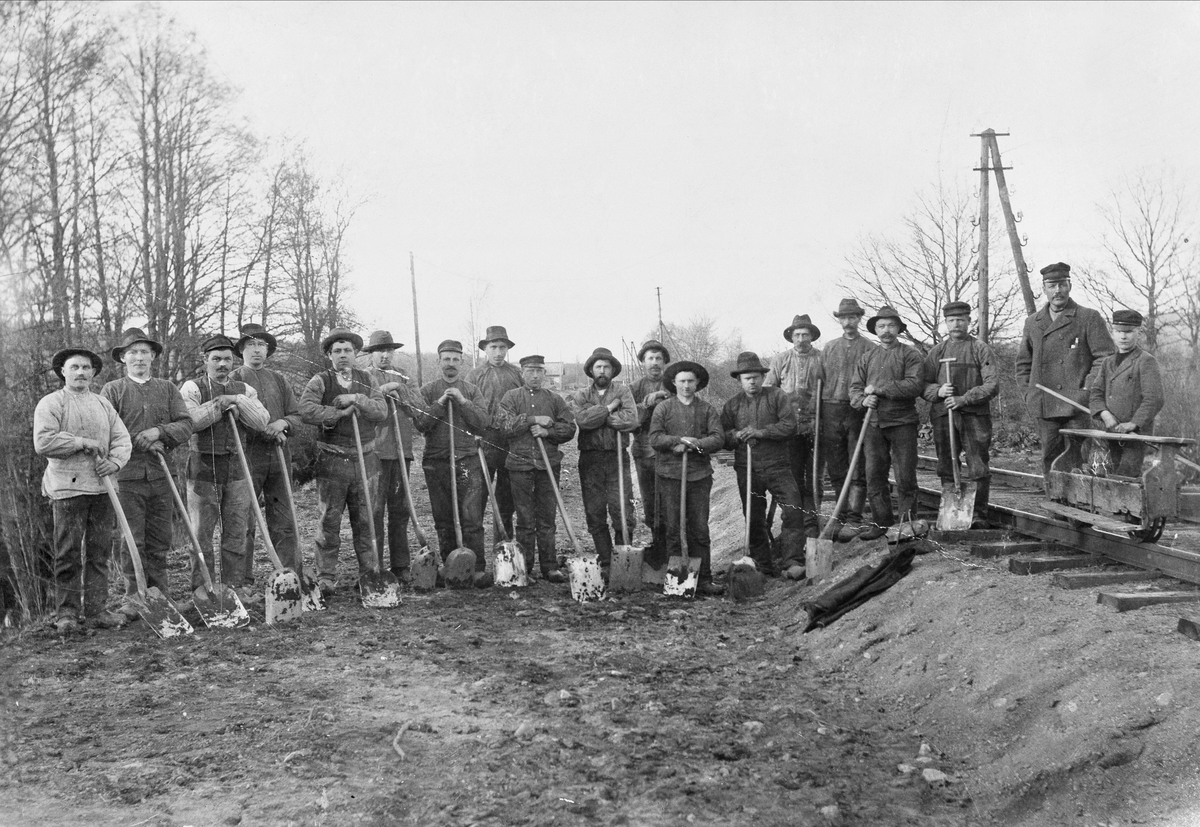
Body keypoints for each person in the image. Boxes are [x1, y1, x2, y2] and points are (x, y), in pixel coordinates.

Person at [34, 347, 132, 632]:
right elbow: (44, 442)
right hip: (67, 489)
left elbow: (122, 438)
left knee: (99, 552)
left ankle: (96, 610)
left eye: (86, 368)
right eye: (74, 367)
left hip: (102, 489)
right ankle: (66, 613)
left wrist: (114, 462)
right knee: (67, 553)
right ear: (63, 372)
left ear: (93, 373)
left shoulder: (102, 404)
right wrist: (80, 442)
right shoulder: (52, 403)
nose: (80, 372)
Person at [101, 328, 193, 619]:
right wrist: (137, 438)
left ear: (152, 356)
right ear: (123, 358)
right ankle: (135, 597)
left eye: (144, 352)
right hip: (126, 477)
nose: (139, 358)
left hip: (162, 475)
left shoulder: (167, 388)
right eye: (133, 353)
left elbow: (186, 424)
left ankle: (160, 596)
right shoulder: (112, 390)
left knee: (159, 539)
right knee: (132, 538)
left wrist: (160, 432)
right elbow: (105, 432)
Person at [178, 335, 270, 603]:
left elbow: (261, 421)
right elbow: (191, 422)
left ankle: (234, 586)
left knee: (236, 530)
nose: (222, 364)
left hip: (237, 467)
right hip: (203, 467)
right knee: (201, 533)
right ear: (205, 360)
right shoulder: (191, 388)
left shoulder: (244, 389)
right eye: (216, 359)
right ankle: (202, 587)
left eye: (227, 359)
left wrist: (238, 401)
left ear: (234, 361)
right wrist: (219, 405)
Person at [298, 328, 388, 596]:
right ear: (329, 355)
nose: (343, 355)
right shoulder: (320, 380)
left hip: (365, 460)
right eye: (337, 351)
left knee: (366, 520)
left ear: (356, 353)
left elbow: (381, 410)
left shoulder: (367, 378)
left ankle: (369, 573)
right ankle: (326, 577)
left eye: (347, 350)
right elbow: (305, 410)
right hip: (333, 460)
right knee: (329, 521)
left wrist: (356, 399)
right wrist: (339, 412)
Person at [1016, 262, 1115, 477]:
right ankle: (1053, 504)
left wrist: (1087, 390)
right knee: (1050, 459)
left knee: (1077, 460)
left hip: (1076, 405)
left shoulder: (1088, 317)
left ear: (1069, 286)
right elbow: (1023, 364)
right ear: (1044, 289)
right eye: (1052, 285)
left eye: (1062, 284)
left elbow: (1105, 357)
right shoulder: (1033, 322)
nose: (1057, 290)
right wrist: (1029, 394)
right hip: (1045, 405)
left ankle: (1075, 508)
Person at [720, 351, 806, 579]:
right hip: (747, 468)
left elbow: (790, 426)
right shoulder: (732, 406)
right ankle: (763, 564)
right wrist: (737, 435)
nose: (752, 381)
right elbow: (723, 437)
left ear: (762, 377)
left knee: (794, 510)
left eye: (756, 376)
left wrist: (762, 432)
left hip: (778, 466)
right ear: (739, 380)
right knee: (754, 517)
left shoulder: (777, 396)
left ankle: (792, 561)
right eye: (747, 377)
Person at [409, 340, 490, 576]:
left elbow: (483, 423)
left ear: (462, 362)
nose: (451, 364)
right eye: (446, 359)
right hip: (437, 461)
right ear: (438, 361)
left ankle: (476, 568)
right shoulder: (428, 391)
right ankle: (451, 566)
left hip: (467, 461)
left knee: (471, 517)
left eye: (456, 359)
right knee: (443, 518)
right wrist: (441, 403)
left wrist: (463, 403)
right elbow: (421, 423)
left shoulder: (472, 390)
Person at [230, 323, 304, 584]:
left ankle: (291, 578)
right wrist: (265, 430)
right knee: (245, 523)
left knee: (284, 520)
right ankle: (243, 581)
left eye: (261, 345)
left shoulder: (279, 380)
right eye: (251, 345)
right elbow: (235, 421)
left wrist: (282, 424)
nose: (257, 350)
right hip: (247, 459)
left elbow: (296, 415)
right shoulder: (233, 380)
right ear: (241, 350)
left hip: (280, 458)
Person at [648, 360, 725, 595]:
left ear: (698, 383)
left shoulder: (707, 409)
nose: (686, 385)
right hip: (670, 475)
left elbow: (718, 438)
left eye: (691, 381)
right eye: (682, 381)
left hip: (699, 475)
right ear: (674, 383)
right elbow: (655, 438)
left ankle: (704, 579)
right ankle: (676, 580)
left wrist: (695, 445)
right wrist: (677, 442)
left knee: (699, 528)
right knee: (673, 527)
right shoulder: (664, 409)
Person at [498, 355, 577, 582]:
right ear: (522, 373)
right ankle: (525, 568)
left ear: (545, 373)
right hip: (520, 466)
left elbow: (569, 428)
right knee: (524, 518)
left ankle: (549, 567)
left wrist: (548, 432)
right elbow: (504, 425)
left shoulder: (554, 399)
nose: (534, 375)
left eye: (539, 371)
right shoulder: (511, 397)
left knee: (547, 517)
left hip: (548, 465)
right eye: (530, 371)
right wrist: (533, 419)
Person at [921, 302, 1000, 528]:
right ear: (945, 323)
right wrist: (938, 391)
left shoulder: (980, 349)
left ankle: (979, 515)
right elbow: (922, 385)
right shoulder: (937, 352)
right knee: (946, 463)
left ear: (969, 321)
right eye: (951, 320)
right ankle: (953, 510)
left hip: (974, 415)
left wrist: (963, 398)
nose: (956, 324)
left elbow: (992, 384)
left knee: (978, 465)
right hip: (943, 416)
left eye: (961, 319)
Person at [850, 306, 924, 540]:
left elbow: (915, 385)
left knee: (905, 475)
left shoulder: (910, 354)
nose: (886, 330)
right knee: (874, 475)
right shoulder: (867, 357)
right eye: (881, 326)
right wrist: (863, 400)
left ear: (899, 328)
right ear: (875, 329)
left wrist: (880, 390)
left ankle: (906, 524)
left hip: (903, 422)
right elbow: (854, 389)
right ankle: (881, 523)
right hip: (873, 424)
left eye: (891, 325)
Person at [361, 329, 423, 582]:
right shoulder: (363, 377)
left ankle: (401, 565)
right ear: (371, 353)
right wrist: (382, 391)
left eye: (389, 350)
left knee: (400, 511)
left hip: (401, 453)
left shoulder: (405, 377)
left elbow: (420, 410)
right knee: (374, 512)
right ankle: (373, 567)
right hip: (374, 453)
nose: (384, 355)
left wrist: (400, 389)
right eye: (379, 351)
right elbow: (362, 408)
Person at [568, 347, 638, 568]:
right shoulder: (581, 395)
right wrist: (609, 408)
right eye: (598, 366)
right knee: (594, 510)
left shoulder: (623, 391)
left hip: (617, 457)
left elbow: (631, 420)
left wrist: (596, 413)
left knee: (622, 509)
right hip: (590, 460)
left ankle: (623, 560)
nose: (602, 370)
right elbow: (583, 422)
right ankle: (607, 561)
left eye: (606, 367)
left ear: (613, 370)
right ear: (591, 370)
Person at [820, 299, 875, 540]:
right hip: (831, 410)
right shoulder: (830, 348)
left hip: (857, 411)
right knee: (836, 466)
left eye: (852, 317)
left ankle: (854, 518)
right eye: (844, 317)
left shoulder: (869, 348)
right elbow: (819, 381)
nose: (848, 322)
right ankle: (839, 517)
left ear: (859, 319)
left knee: (857, 465)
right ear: (839, 320)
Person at [765, 314, 824, 538]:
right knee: (792, 478)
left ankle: (812, 524)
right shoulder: (780, 360)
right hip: (789, 430)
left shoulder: (821, 358)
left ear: (812, 337)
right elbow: (769, 391)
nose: (801, 339)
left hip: (816, 426)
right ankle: (793, 525)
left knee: (815, 477)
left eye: (805, 334)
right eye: (797, 334)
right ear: (791, 337)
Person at [1089, 309, 1164, 477]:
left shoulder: (1145, 361)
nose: (1123, 337)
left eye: (1129, 332)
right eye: (1118, 332)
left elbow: (1155, 398)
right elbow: (1095, 393)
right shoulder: (1107, 362)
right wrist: (1105, 414)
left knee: (1126, 475)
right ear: (1112, 333)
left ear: (1139, 332)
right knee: (1105, 475)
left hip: (1134, 435)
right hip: (1109, 431)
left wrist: (1134, 423)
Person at [467, 325, 523, 539]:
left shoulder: (516, 374)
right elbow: (468, 408)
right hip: (483, 441)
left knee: (506, 501)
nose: (499, 352)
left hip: (510, 441)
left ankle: (503, 549)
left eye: (503, 347)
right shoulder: (475, 375)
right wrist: (474, 433)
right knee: (477, 499)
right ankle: (476, 557)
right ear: (485, 349)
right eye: (494, 347)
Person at [630, 339, 671, 570]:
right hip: (644, 453)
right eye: (650, 358)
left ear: (664, 361)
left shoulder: (675, 383)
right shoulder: (634, 388)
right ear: (643, 362)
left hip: (669, 454)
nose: (655, 363)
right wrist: (647, 403)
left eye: (658, 358)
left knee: (670, 504)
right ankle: (658, 548)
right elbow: (629, 420)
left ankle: (671, 551)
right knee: (650, 505)